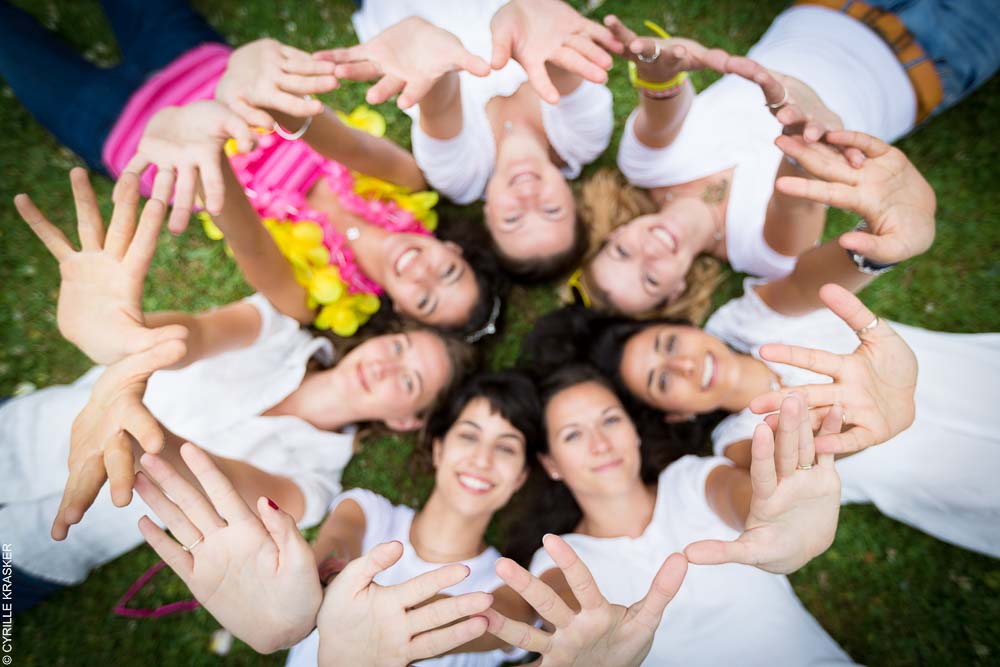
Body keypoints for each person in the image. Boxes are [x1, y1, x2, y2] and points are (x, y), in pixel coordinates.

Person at [2, 170, 476, 612]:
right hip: (21, 431)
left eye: (410, 381)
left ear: (406, 419)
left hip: (38, 548)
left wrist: (132, 430)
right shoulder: (279, 330)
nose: (386, 367)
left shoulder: (316, 483)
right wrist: (124, 331)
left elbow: (219, 484)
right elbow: (194, 335)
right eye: (398, 347)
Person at [547, 134, 1000, 558]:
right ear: (676, 414)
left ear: (690, 327)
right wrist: (847, 428)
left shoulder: (747, 320)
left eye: (669, 344)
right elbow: (787, 468)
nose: (683, 364)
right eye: (662, 380)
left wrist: (878, 244)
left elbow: (809, 281)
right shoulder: (738, 443)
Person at [0, 0, 505, 337]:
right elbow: (333, 135)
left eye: (427, 298)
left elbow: (237, 224)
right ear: (452, 247)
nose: (424, 272)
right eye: (449, 271)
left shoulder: (307, 301)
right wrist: (254, 91)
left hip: (128, 133)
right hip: (203, 66)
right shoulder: (409, 186)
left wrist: (199, 136)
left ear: (404, 312)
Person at [575, 1, 999, 317]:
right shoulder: (761, 254)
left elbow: (663, 104)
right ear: (675, 290)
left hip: (827, 10)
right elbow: (796, 198)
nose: (648, 253)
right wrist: (806, 138)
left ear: (614, 234)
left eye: (622, 254)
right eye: (650, 279)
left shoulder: (643, 166)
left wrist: (657, 72)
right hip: (931, 60)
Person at [122, 371, 540, 664]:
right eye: (468, 436)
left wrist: (372, 618)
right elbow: (331, 554)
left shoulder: (511, 586)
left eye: (506, 447)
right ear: (438, 449)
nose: (482, 458)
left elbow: (498, 621)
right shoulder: (367, 512)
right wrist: (303, 592)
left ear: (521, 476)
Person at [484, 365, 853, 665]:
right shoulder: (560, 558)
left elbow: (749, 503)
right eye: (572, 435)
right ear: (551, 464)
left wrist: (777, 514)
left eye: (610, 420)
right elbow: (559, 614)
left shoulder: (690, 480)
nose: (600, 444)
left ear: (634, 431)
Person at [329, 0, 624, 282]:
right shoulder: (585, 139)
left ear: (488, 215)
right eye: (551, 211)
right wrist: (535, 13)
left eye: (513, 219)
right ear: (572, 199)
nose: (528, 198)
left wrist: (434, 55)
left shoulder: (461, 177)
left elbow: (440, 100)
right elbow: (555, 51)